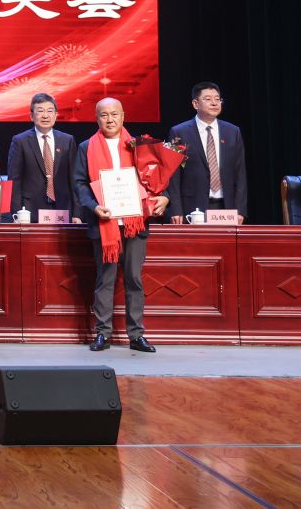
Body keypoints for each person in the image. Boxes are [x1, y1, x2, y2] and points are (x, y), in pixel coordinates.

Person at [72, 97, 171, 353]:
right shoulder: (86, 147)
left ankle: (136, 335)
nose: (110, 119)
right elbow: (80, 184)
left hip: (134, 224)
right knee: (104, 280)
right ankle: (102, 333)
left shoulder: (138, 145)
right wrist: (93, 206)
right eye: (104, 115)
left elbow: (155, 180)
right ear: (97, 118)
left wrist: (164, 196)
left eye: (114, 114)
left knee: (134, 279)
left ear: (123, 116)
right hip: (104, 222)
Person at [167, 82, 248, 223]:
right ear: (195, 104)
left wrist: (240, 210)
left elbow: (240, 173)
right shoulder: (179, 132)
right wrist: (176, 208)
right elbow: (173, 174)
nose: (214, 103)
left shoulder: (232, 132)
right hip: (192, 207)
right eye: (208, 99)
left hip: (226, 207)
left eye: (217, 99)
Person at [6, 93, 74, 218]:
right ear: (32, 116)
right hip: (30, 210)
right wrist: (16, 214)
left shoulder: (67, 140)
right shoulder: (20, 141)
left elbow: (73, 179)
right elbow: (14, 180)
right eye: (40, 111)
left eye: (50, 111)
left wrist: (77, 214)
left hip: (62, 209)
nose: (45, 115)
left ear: (56, 115)